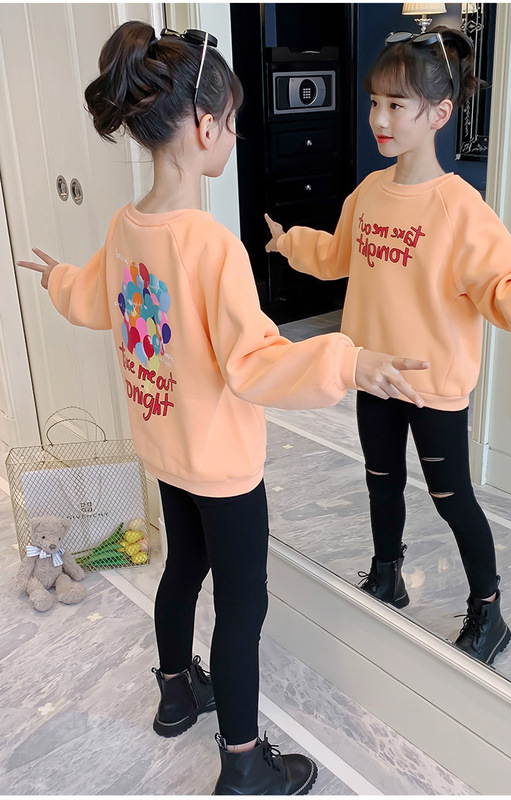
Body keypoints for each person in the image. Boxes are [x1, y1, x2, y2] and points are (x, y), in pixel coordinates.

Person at [18, 21, 430, 796]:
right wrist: (349, 360)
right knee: (242, 606)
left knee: (183, 566)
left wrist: (56, 280)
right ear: (206, 127)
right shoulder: (210, 247)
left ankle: (176, 692)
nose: (235, 136)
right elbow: (256, 365)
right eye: (234, 121)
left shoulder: (127, 227)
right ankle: (242, 762)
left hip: (164, 446)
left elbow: (96, 296)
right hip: (221, 463)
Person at [265, 26, 511, 668]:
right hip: (374, 374)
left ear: (439, 114)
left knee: (452, 500)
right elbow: (336, 255)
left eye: (396, 105)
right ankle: (388, 576)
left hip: (435, 385)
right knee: (380, 483)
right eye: (375, 102)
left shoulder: (459, 207)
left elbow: (504, 288)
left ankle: (489, 610)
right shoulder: (368, 193)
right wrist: (290, 243)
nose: (378, 119)